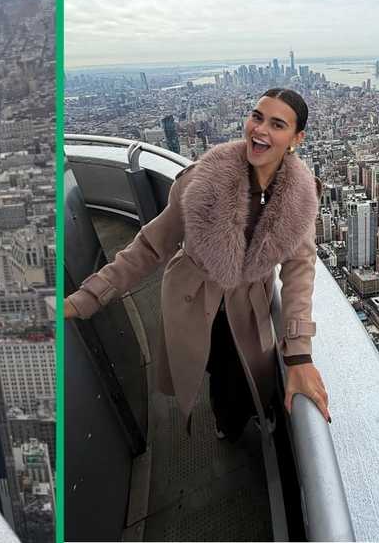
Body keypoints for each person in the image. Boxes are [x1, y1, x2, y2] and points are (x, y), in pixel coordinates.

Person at [64, 88, 331, 443]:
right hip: (191, 296)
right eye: (257, 117)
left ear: (297, 139)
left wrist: (299, 356)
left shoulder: (300, 199)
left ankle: (249, 410)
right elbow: (150, 245)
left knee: (246, 369)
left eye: (277, 124)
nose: (261, 130)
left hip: (246, 306)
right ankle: (227, 420)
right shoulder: (201, 180)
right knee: (211, 365)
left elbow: (300, 271)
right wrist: (87, 298)